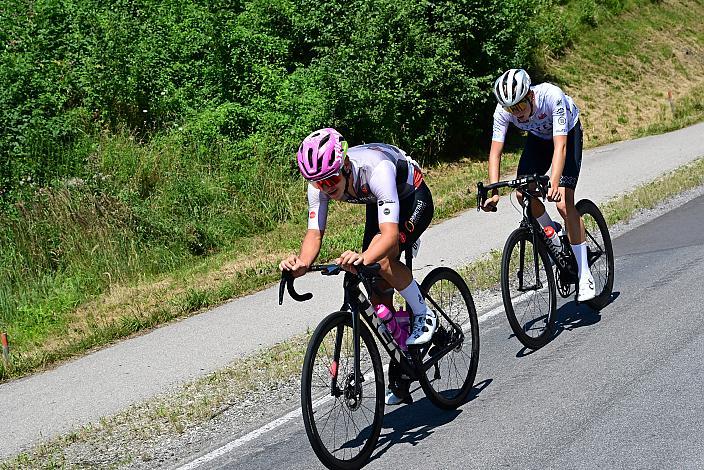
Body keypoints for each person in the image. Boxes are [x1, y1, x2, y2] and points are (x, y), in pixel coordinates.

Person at [279, 128, 435, 404]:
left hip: (412, 195)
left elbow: (387, 236)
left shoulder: (377, 170)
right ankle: (404, 360)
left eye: (332, 179)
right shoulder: (319, 183)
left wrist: (364, 257)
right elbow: (314, 234)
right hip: (377, 203)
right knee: (376, 288)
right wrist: (301, 263)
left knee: (383, 258)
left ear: (345, 165)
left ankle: (424, 314)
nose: (327, 187)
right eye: (320, 183)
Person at [481, 68, 595, 301]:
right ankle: (552, 233)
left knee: (564, 204)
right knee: (524, 195)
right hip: (539, 140)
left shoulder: (551, 96)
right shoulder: (503, 111)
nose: (517, 113)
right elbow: (495, 152)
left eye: (520, 107)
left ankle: (584, 274)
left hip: (567, 136)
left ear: (530, 97)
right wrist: (493, 192)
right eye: (511, 109)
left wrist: (554, 182)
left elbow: (560, 147)